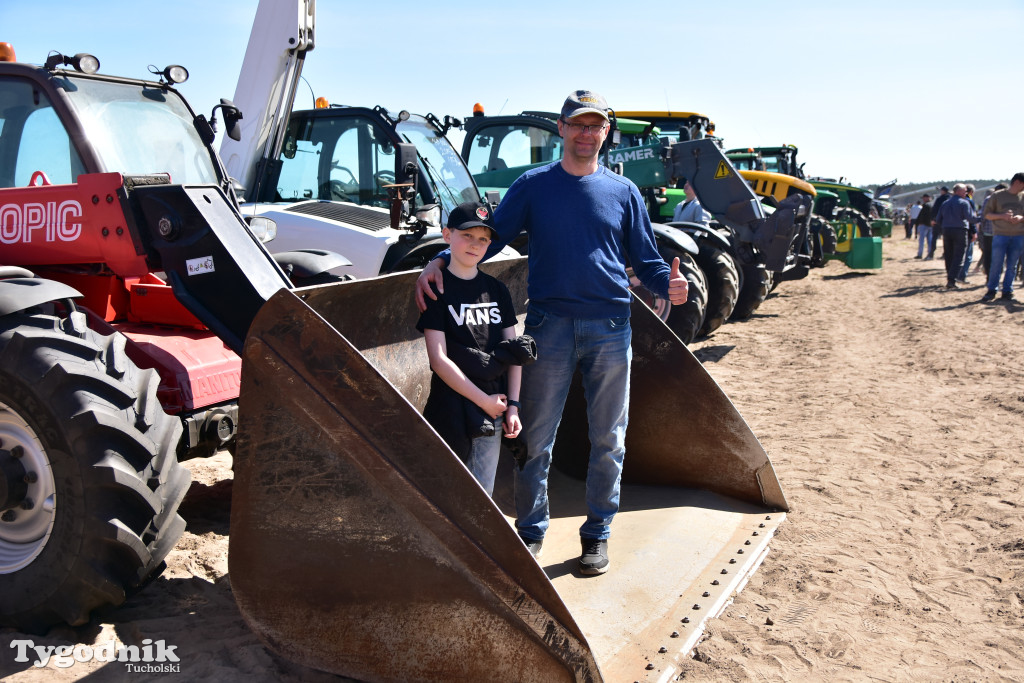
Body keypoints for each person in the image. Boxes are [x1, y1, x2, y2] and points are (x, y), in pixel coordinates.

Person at [416, 89, 688, 575]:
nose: (586, 133)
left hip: (610, 326)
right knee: (536, 437)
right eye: (577, 124)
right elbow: (487, 237)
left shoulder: (623, 192)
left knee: (609, 437)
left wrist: (665, 282)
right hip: (548, 327)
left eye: (596, 126)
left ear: (606, 133)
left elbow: (646, 259)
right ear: (561, 129)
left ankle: (597, 534)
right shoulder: (533, 185)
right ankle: (531, 532)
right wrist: (438, 259)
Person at [416, 201, 525, 497]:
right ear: (447, 235)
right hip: (451, 409)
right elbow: (438, 360)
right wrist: (483, 401)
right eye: (467, 235)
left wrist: (512, 406)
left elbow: (514, 352)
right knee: (450, 495)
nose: (475, 245)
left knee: (482, 496)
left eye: (483, 239)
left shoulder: (497, 290)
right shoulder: (436, 288)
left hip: (494, 409)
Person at [981, 172, 1024, 302]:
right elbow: (987, 215)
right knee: (996, 264)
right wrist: (1003, 216)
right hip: (1000, 235)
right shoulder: (997, 196)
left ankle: (1007, 291)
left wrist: (1021, 218)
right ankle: (992, 290)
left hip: (1018, 236)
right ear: (1017, 182)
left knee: (1012, 266)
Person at [933, 183, 978, 289]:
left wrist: (945, 226)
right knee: (959, 256)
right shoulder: (964, 203)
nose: (966, 193)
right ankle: (952, 280)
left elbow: (938, 219)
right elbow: (970, 219)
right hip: (960, 231)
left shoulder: (945, 203)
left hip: (946, 230)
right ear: (957, 191)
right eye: (964, 191)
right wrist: (983, 218)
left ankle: (950, 278)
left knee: (949, 255)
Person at [975, 184, 1008, 276]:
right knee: (1001, 255)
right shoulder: (1008, 200)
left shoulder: (988, 199)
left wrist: (982, 229)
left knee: (988, 255)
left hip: (988, 233)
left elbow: (983, 216)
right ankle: (997, 274)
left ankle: (989, 276)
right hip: (1002, 233)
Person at [958, 184, 978, 282]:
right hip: (968, 232)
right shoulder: (969, 202)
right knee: (968, 256)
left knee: (958, 255)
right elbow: (972, 219)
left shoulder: (956, 201)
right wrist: (974, 232)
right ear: (971, 192)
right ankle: (962, 276)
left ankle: (955, 275)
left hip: (957, 230)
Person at [928, 186, 951, 259]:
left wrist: (932, 219)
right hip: (948, 222)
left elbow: (934, 209)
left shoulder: (940, 199)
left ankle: (931, 253)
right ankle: (945, 254)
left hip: (938, 221)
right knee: (946, 239)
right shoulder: (950, 199)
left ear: (942, 191)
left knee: (934, 237)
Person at [915, 194, 934, 259]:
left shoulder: (926, 205)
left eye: (924, 198)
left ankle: (920, 254)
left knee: (921, 240)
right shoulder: (933, 204)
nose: (923, 199)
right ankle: (930, 254)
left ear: (927, 198)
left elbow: (923, 215)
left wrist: (920, 222)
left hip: (924, 225)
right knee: (930, 241)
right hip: (931, 225)